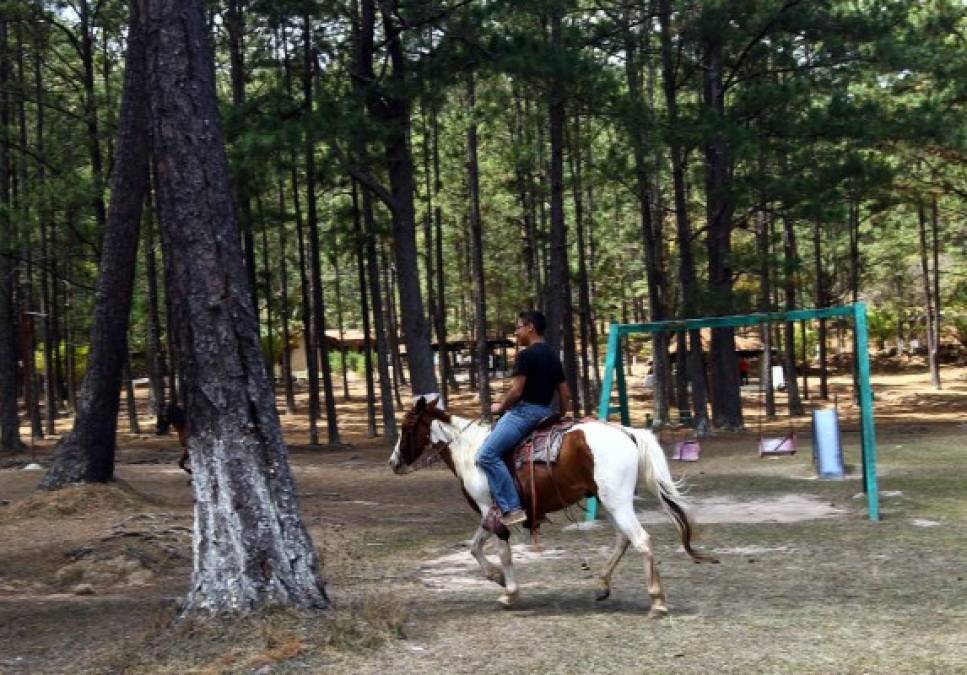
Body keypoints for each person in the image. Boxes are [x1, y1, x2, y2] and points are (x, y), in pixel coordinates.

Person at [476, 310, 570, 527]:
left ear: (530, 327)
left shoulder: (526, 355)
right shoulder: (552, 355)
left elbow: (517, 391)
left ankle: (511, 507)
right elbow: (564, 393)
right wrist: (561, 415)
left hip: (524, 414)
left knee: (486, 454)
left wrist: (500, 406)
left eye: (518, 327)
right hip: (546, 413)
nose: (516, 333)